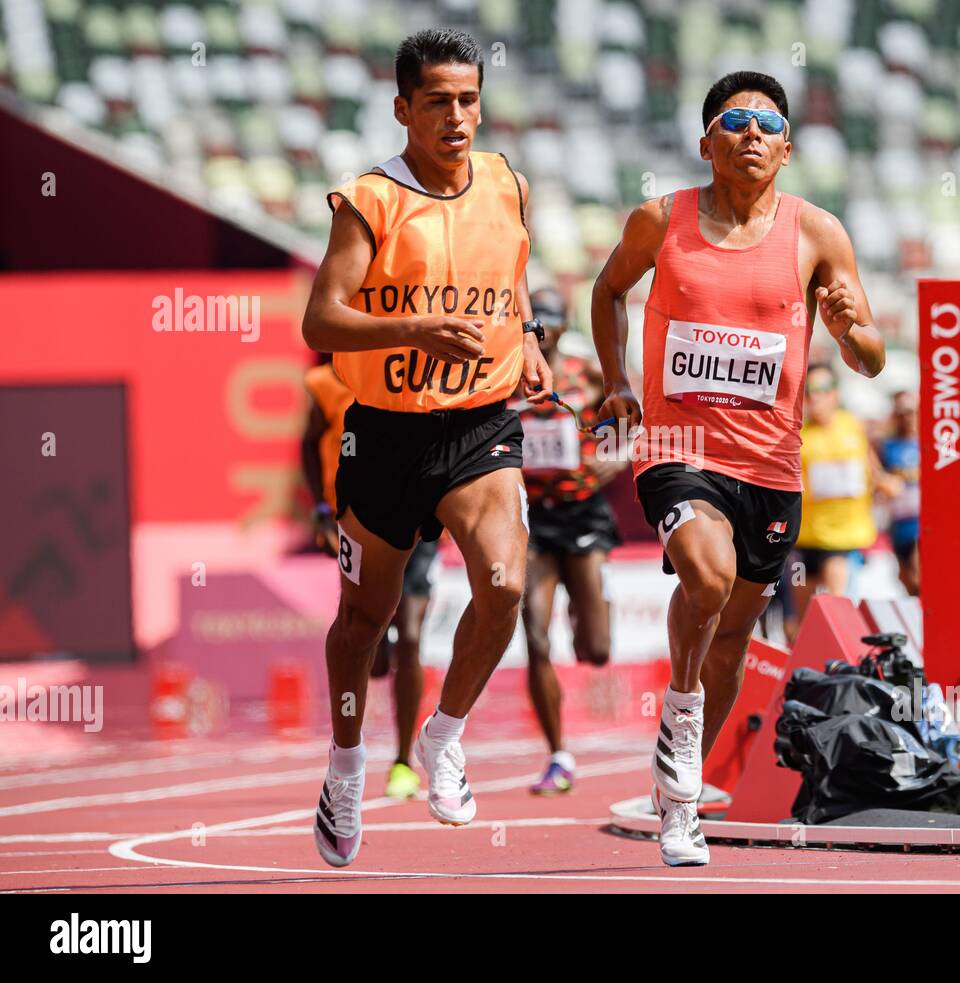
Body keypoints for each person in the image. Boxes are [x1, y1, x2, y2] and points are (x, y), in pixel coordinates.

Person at [591, 71, 886, 866]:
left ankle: (680, 791)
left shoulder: (819, 234)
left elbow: (871, 358)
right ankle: (682, 723)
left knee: (733, 639)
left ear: (786, 149)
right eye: (734, 121)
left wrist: (851, 332)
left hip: (770, 467)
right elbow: (608, 290)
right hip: (677, 449)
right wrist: (619, 381)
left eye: (767, 123)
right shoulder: (662, 221)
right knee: (707, 576)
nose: (751, 132)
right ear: (706, 143)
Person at [300, 28, 552, 868]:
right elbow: (321, 320)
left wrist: (532, 339)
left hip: (481, 423)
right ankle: (345, 767)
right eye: (438, 101)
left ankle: (445, 734)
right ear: (402, 108)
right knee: (364, 620)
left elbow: (512, 275)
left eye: (469, 99)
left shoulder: (509, 182)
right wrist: (413, 325)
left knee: (506, 581)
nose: (457, 116)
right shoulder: (370, 199)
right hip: (384, 432)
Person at [301, 360, 437, 800]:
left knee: (413, 636)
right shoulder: (323, 383)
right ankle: (382, 648)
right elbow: (307, 446)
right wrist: (322, 511)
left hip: (420, 511)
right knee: (371, 644)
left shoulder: (415, 363)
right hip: (358, 516)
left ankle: (403, 760)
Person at [518, 288, 627, 794]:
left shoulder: (585, 371)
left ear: (564, 325)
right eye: (537, 320)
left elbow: (631, 414)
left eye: (552, 320)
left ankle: (592, 606)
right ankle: (558, 753)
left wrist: (620, 456)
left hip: (583, 509)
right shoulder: (510, 375)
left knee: (596, 650)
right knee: (536, 636)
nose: (545, 329)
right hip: (534, 517)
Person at [788, 363, 897, 636]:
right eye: (810, 390)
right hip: (803, 542)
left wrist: (885, 482)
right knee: (802, 620)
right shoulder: (797, 434)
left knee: (837, 606)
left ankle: (839, 668)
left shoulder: (853, 427)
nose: (816, 397)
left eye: (823, 389)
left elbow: (874, 470)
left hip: (842, 541)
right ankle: (804, 672)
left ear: (835, 393)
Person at [878, 390, 921, 596]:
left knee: (918, 574)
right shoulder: (886, 446)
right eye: (901, 412)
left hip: (922, 521)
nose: (907, 417)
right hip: (898, 521)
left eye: (911, 412)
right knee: (906, 580)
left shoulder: (931, 442)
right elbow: (878, 479)